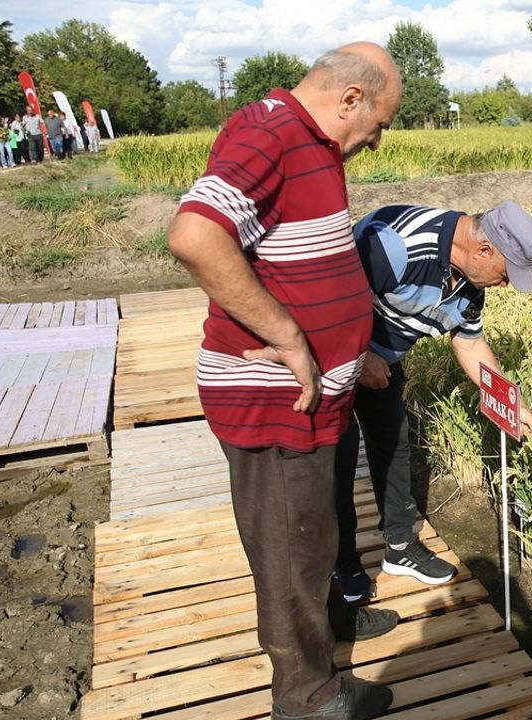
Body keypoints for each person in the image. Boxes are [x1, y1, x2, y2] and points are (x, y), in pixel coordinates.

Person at [167, 42, 402, 720]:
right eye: (380, 123)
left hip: (315, 397)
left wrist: (349, 347)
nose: (377, 140)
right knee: (290, 549)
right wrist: (287, 333)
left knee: (315, 526)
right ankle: (308, 696)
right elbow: (195, 234)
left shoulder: (310, 141)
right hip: (276, 403)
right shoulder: (271, 133)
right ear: (351, 99)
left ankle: (331, 626)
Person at [334, 201, 532, 600]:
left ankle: (399, 548)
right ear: (484, 251)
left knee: (393, 447)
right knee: (336, 465)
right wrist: (360, 357)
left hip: (384, 362)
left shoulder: (470, 282)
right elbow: (329, 303)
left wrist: (510, 401)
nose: (504, 285)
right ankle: (341, 566)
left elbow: (470, 343)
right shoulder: (396, 244)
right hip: (335, 356)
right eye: (505, 274)